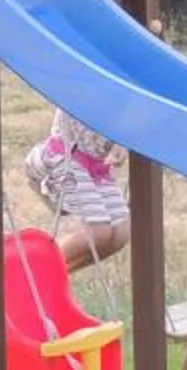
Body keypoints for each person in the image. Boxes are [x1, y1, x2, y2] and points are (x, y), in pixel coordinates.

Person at [23, 108, 128, 272]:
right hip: (66, 155)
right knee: (99, 232)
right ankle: (33, 272)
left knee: (119, 235)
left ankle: (54, 275)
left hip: (98, 166)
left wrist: (120, 144)